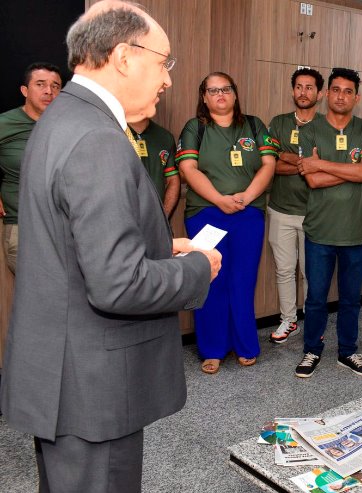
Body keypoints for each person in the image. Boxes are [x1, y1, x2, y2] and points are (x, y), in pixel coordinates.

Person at [0, 2, 220, 490]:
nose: (167, 79)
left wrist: (159, 244)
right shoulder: (97, 139)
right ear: (124, 56)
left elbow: (70, 244)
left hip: (65, 375)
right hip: (93, 387)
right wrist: (198, 268)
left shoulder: (60, 120)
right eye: (164, 62)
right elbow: (118, 285)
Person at [177, 71, 277, 374]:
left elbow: (269, 164)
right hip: (206, 213)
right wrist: (219, 200)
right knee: (211, 279)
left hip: (247, 213)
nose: (220, 94)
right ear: (204, 98)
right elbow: (188, 168)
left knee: (243, 280)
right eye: (213, 90)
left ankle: (245, 345)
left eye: (226, 89)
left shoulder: (254, 125)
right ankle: (212, 349)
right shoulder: (195, 127)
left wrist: (245, 197)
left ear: (234, 93)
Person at [293, 67, 362, 378]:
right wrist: (352, 169)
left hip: (356, 232)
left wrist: (322, 164)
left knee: (350, 299)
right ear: (326, 93)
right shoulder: (309, 129)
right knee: (316, 297)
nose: (341, 96)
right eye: (336, 90)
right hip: (320, 231)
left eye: (348, 91)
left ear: (357, 97)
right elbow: (313, 180)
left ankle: (348, 351)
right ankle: (311, 350)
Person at [266, 67, 325, 344]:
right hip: (280, 210)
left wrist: (289, 158)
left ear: (319, 93)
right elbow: (271, 165)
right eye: (299, 87)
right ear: (293, 91)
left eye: (309, 87)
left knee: (311, 273)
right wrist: (306, 164)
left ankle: (313, 321)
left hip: (316, 213)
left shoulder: (326, 126)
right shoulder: (278, 123)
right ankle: (288, 320)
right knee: (284, 270)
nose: (303, 92)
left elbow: (326, 169)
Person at [0, 62, 62, 273]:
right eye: (41, 84)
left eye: (55, 86)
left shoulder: (68, 124)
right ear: (25, 90)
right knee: (36, 297)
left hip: (65, 227)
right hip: (22, 226)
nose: (48, 91)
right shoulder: (5, 123)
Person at [127, 117, 180, 217]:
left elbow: (172, 179)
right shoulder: (114, 132)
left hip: (153, 220)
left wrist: (163, 218)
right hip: (123, 219)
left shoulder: (165, 137)